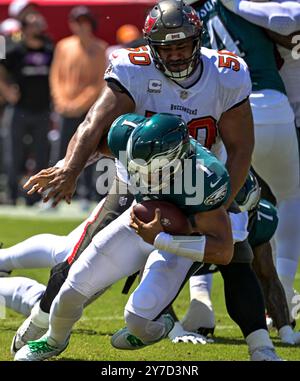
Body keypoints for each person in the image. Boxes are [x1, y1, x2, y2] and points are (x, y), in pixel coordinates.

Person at [16, 1, 280, 361]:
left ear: (197, 39)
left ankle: (261, 347)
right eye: (165, 48)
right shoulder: (133, 68)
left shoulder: (226, 73)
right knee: (77, 259)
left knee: (237, 260)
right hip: (138, 183)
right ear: (151, 47)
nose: (174, 55)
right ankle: (39, 325)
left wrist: (216, 201)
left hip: (198, 182)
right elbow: (93, 124)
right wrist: (70, 167)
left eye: (181, 46)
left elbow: (240, 148)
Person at [14, 112, 234, 361]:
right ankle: (53, 340)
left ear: (178, 160)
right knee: (72, 288)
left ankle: (160, 328)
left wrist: (162, 240)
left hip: (178, 240)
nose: (144, 176)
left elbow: (224, 251)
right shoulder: (123, 134)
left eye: (153, 170)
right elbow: (89, 141)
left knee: (137, 318)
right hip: (136, 220)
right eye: (137, 167)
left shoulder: (205, 177)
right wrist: (66, 169)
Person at [185, 0, 300, 325]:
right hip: (273, 106)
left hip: (223, 111)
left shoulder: (193, 16)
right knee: (291, 195)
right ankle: (284, 290)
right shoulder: (247, 7)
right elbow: (285, 22)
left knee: (205, 200)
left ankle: (200, 296)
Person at [168, 172, 300, 345]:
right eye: (230, 216)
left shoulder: (259, 222)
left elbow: (268, 277)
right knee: (166, 272)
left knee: (243, 279)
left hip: (225, 254)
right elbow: (153, 274)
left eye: (242, 216)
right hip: (194, 249)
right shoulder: (182, 216)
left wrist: (286, 333)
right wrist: (175, 331)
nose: (234, 225)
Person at [50, 6, 108, 208]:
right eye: (77, 22)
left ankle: (85, 195)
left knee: (88, 148)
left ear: (90, 24)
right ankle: (54, 193)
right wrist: (61, 101)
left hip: (87, 108)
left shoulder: (100, 48)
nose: (81, 26)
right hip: (65, 107)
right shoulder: (63, 46)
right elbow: (56, 76)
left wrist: (78, 103)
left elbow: (99, 83)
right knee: (60, 150)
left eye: (84, 22)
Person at [0, 11, 53, 205]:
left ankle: (35, 196)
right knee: (14, 154)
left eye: (40, 23)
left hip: (42, 109)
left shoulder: (49, 48)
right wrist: (7, 91)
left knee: (41, 155)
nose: (38, 27)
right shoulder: (14, 49)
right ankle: (12, 195)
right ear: (24, 29)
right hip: (18, 110)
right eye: (34, 24)